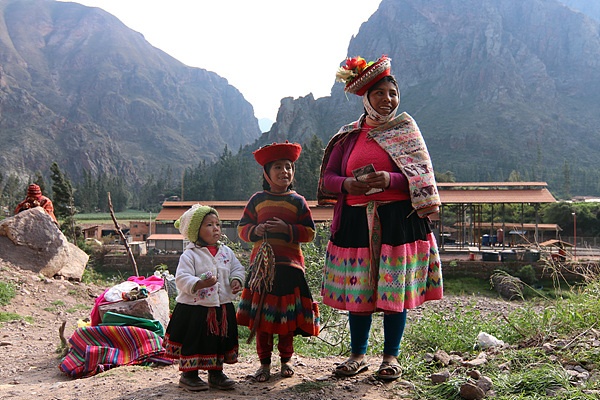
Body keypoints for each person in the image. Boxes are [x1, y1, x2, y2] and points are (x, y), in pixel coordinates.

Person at [318, 55, 443, 381]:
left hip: (398, 221)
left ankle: (391, 357)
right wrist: (349, 183)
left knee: (393, 293)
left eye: (392, 94)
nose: (387, 100)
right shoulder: (347, 137)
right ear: (366, 98)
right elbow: (328, 178)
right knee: (359, 295)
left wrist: (390, 180)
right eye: (380, 94)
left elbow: (423, 179)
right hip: (356, 223)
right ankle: (357, 354)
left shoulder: (406, 131)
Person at [236, 142, 320, 382]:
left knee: (286, 317)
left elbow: (310, 233)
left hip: (290, 268)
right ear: (267, 173)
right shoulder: (257, 201)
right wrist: (257, 229)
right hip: (262, 271)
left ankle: (286, 360)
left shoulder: (298, 202)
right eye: (279, 168)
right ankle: (264, 364)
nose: (285, 172)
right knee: (263, 319)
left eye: (289, 167)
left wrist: (287, 229)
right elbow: (243, 229)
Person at [162, 204, 245, 392]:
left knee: (218, 341)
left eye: (217, 224)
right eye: (209, 225)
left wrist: (236, 280)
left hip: (221, 306)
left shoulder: (226, 252)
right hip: (195, 309)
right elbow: (182, 278)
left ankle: (216, 374)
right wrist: (199, 284)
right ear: (196, 231)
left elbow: (237, 268)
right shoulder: (190, 254)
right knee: (195, 339)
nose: (215, 228)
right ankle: (189, 375)